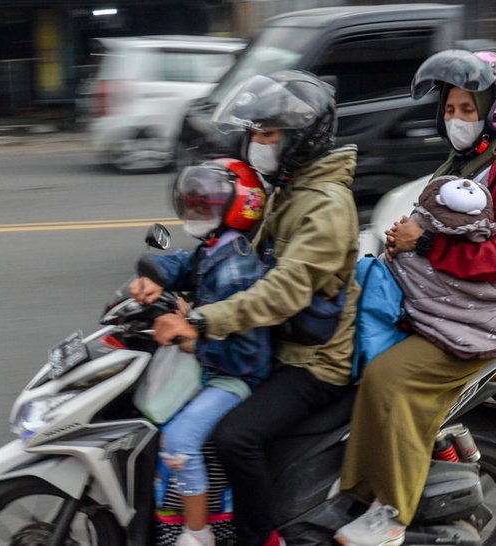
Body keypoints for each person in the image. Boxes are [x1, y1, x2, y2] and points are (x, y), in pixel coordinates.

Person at [334, 50, 496, 546]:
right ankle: (359, 491)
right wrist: (404, 241)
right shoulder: (463, 163)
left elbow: (495, 258)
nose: (456, 119)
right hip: (445, 307)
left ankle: (390, 515)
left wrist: (423, 244)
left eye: (467, 110)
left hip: (485, 321)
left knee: (392, 380)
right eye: (450, 110)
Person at [148, 69, 360, 546]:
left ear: (301, 136)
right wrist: (160, 276)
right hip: (278, 340)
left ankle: (260, 537)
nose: (256, 142)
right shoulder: (289, 188)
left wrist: (203, 321)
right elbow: (232, 251)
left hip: (315, 361)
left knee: (234, 436)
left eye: (268, 132)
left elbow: (285, 290)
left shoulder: (326, 205)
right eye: (255, 132)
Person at [130, 158, 272, 546]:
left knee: (178, 438)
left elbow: (246, 356)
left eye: (204, 206)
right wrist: (151, 276)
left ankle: (198, 534)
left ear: (236, 207)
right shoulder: (216, 248)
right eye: (190, 204)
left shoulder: (235, 268)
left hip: (236, 378)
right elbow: (186, 265)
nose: (194, 212)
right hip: (214, 366)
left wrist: (191, 338)